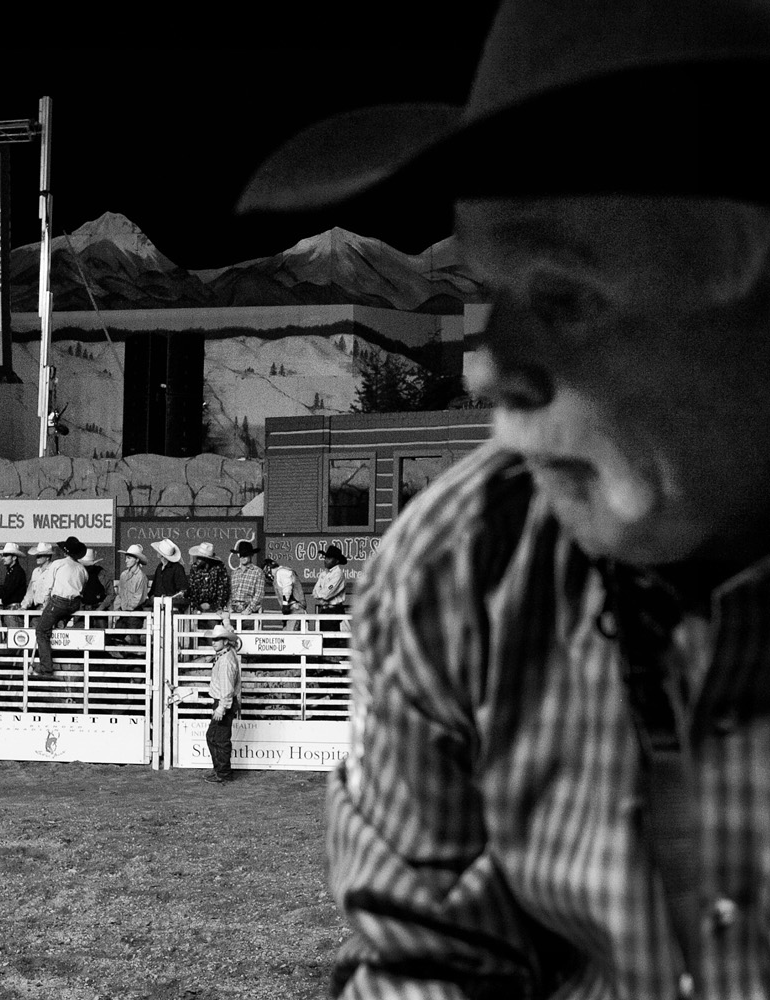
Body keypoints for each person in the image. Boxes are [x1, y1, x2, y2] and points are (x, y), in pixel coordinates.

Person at [239, 1, 770, 995]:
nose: (488, 369)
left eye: (564, 293)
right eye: (490, 288)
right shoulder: (460, 564)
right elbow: (427, 955)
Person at [33, 537, 87, 679]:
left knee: (41, 631)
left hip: (58, 602)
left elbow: (48, 586)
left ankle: (46, 668)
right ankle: (61, 620)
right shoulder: (82, 569)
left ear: (65, 552)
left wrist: (45, 603)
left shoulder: (58, 564)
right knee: (58, 616)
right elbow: (83, 588)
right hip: (74, 603)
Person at [201, 622, 242, 785]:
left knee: (217, 738)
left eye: (217, 640)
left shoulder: (225, 661)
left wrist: (221, 707)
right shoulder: (228, 654)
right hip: (225, 701)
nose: (213, 642)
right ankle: (221, 770)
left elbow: (227, 688)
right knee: (217, 737)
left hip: (223, 702)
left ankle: (223, 772)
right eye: (213, 639)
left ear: (225, 641)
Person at [186, 543, 231, 614]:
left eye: (200, 557)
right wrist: (197, 606)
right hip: (197, 609)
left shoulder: (219, 568)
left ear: (206, 558)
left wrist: (214, 607)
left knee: (213, 624)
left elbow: (223, 590)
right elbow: (192, 589)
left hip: (215, 609)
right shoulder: (194, 568)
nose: (197, 559)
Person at [310, 545, 348, 629]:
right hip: (324, 610)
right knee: (323, 638)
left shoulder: (338, 574)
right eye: (325, 558)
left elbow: (326, 595)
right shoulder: (323, 574)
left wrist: (321, 593)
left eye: (329, 558)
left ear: (337, 561)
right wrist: (321, 593)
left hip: (334, 610)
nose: (325, 560)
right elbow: (314, 593)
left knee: (333, 639)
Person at [148, 539, 189, 612]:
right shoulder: (159, 567)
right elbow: (154, 588)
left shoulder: (177, 568)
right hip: (158, 607)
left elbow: (183, 590)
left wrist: (171, 598)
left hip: (173, 608)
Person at [0, 542, 28, 627]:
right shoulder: (12, 571)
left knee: (13, 636)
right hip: (11, 610)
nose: (3, 558)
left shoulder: (16, 572)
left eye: (6, 556)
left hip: (13, 611)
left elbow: (6, 591)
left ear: (14, 557)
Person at [228, 540, 266, 615]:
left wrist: (249, 609)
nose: (242, 557)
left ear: (251, 555)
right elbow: (230, 592)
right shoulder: (234, 573)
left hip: (250, 612)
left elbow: (259, 593)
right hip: (233, 611)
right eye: (241, 555)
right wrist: (229, 607)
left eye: (245, 555)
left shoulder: (257, 572)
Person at [19, 541, 57, 613]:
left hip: (50, 608)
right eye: (37, 555)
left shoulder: (54, 569)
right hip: (37, 607)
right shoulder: (36, 571)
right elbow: (30, 592)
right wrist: (24, 606)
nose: (37, 558)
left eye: (40, 555)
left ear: (47, 557)